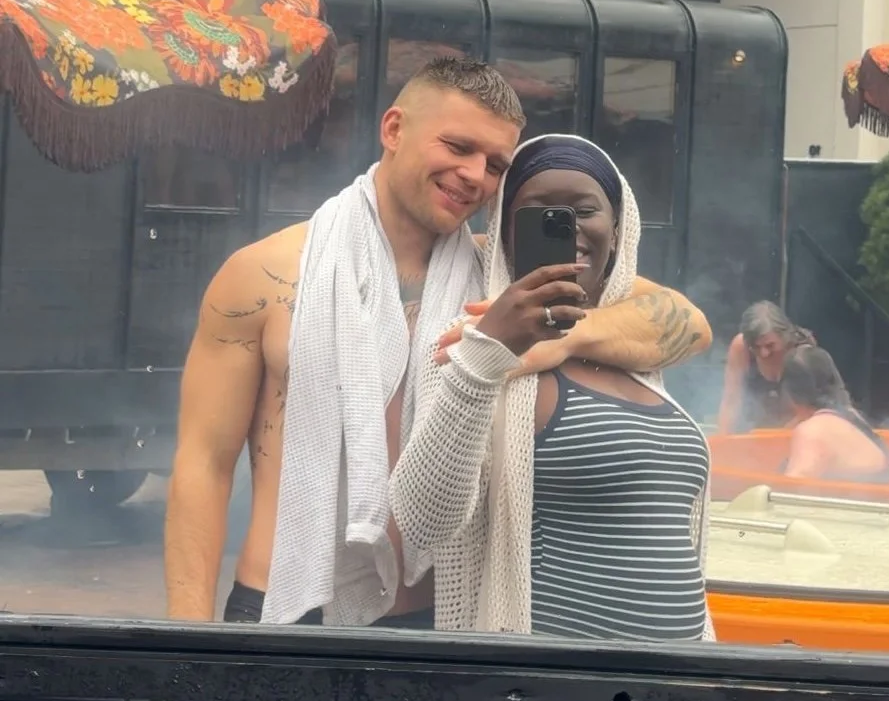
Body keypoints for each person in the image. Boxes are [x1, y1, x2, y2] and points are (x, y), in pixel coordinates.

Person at [164, 58, 712, 625]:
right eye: (458, 146)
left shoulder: (504, 282)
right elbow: (204, 463)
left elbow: (688, 323)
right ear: (394, 129)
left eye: (495, 165)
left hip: (441, 614)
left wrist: (566, 339)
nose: (474, 175)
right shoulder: (265, 275)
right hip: (286, 605)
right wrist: (184, 639)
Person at [390, 135, 715, 642]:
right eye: (537, 212)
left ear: (618, 230)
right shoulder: (469, 340)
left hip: (680, 678)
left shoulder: (632, 348)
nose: (568, 227)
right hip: (551, 677)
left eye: (585, 210)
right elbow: (422, 522)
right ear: (505, 233)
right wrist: (485, 356)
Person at [781, 347, 889, 484]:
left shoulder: (814, 431)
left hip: (856, 497)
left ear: (790, 392)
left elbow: (791, 490)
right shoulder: (852, 417)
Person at [717, 301, 814, 435]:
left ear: (785, 337)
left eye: (770, 345)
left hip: (796, 432)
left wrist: (774, 441)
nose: (764, 353)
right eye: (756, 347)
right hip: (753, 431)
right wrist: (722, 439)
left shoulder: (802, 352)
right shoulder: (741, 347)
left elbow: (808, 412)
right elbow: (731, 400)